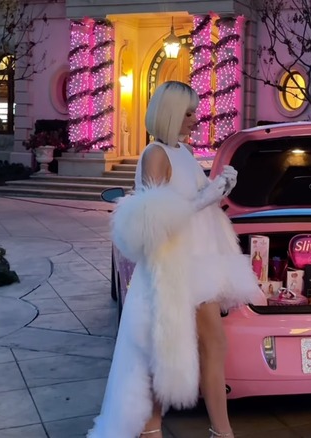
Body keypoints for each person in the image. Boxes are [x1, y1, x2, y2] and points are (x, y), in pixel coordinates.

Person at [86, 81, 261, 438]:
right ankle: (176, 431)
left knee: (200, 347)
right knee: (165, 353)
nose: (196, 119)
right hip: (172, 271)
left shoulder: (181, 151)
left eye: (194, 112)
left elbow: (191, 205)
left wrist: (219, 188)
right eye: (188, 112)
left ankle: (218, 431)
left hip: (197, 265)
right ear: (169, 114)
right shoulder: (156, 154)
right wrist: (206, 196)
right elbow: (153, 225)